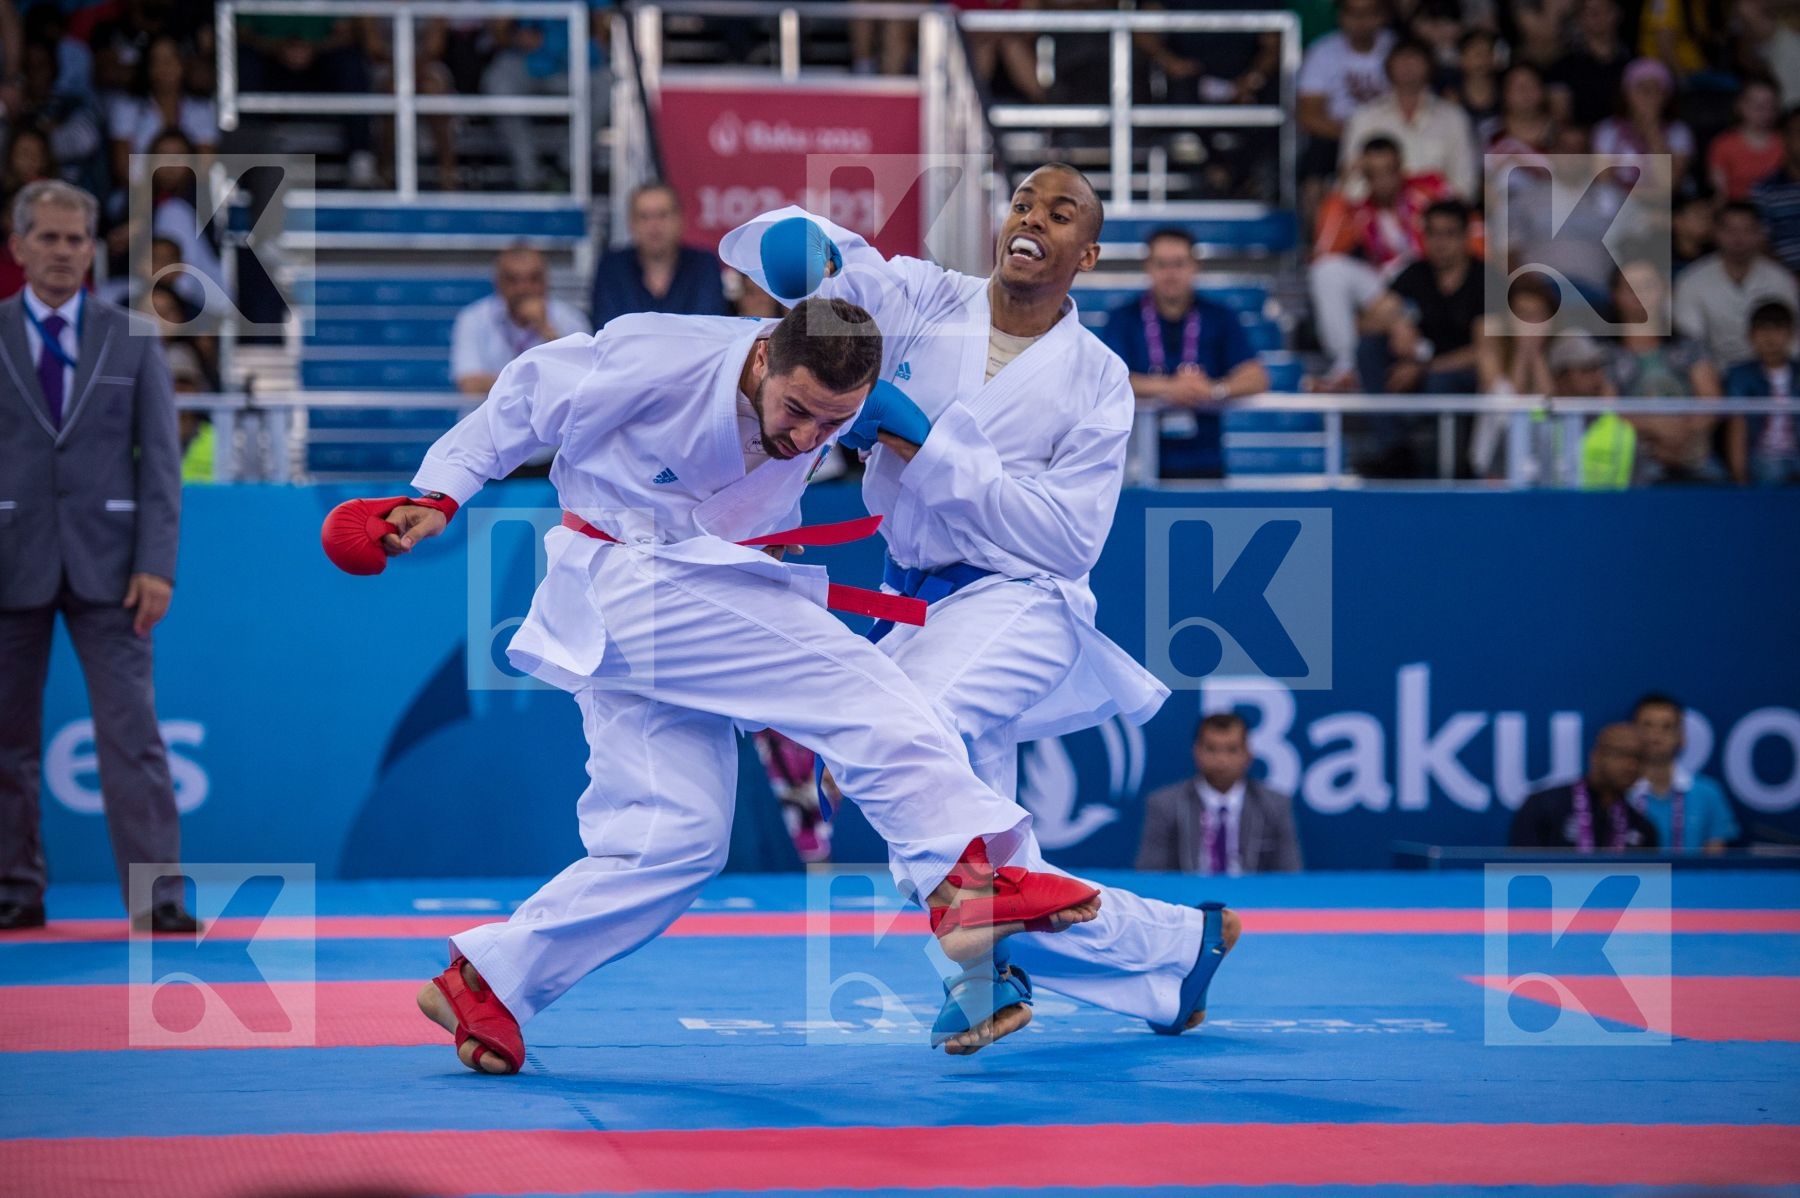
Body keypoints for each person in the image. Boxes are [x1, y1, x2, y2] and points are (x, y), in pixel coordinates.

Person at [329, 298, 1105, 1073]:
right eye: (797, 410)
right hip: (629, 575)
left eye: (832, 424)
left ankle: (487, 981)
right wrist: (436, 494)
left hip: (673, 598)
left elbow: (895, 437)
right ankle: (964, 884)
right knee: (856, 686)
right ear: (764, 357)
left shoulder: (843, 400)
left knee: (674, 837)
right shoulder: (660, 352)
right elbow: (527, 394)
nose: (808, 436)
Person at [721, 166, 1242, 1053]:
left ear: (1088, 254)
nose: (1032, 219)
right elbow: (840, 274)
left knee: (897, 739)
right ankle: (1173, 952)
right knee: (963, 836)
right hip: (912, 599)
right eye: (1024, 203)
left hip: (1020, 600)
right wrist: (805, 249)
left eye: (1060, 213)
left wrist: (923, 442)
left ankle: (986, 968)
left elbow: (1064, 538)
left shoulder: (1099, 379)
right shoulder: (929, 299)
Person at [0, 181, 198, 934]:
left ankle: (158, 897)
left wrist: (158, 564)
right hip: (9, 563)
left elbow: (162, 466)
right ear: (18, 247)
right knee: (5, 741)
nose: (62, 251)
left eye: (75, 238)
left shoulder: (135, 337)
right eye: (47, 237)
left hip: (116, 571)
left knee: (133, 736)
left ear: (93, 249)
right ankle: (14, 889)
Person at [1103, 226, 1270, 479]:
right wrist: (1169, 388)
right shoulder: (1123, 319)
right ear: (1149, 267)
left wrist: (1214, 390)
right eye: (1162, 264)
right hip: (1138, 462)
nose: (1171, 274)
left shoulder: (1219, 316)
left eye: (1179, 264)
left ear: (1195, 266)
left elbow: (1256, 377)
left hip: (1205, 460)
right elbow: (1109, 381)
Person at [1309, 137, 1457, 389]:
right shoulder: (1360, 211)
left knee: (1404, 273)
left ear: (1401, 169)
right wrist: (1343, 184)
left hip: (1432, 283)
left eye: (1389, 171)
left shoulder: (1429, 191)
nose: (1382, 181)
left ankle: (1418, 345)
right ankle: (1347, 364)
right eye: (1373, 174)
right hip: (1388, 291)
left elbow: (1458, 231)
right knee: (1326, 271)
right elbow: (1323, 249)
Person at [1137, 713, 1303, 874]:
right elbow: (1151, 875)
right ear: (1196, 752)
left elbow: (1289, 876)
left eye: (1232, 750)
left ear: (1248, 754)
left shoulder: (1274, 805)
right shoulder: (1166, 805)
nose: (1221, 759)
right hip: (1188, 893)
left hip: (1252, 893)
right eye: (1211, 749)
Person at [1339, 38, 1478, 201]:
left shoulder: (1454, 118)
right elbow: (1351, 179)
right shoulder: (1364, 117)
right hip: (1376, 211)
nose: (1408, 66)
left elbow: (1465, 182)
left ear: (1429, 66)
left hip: (1437, 211)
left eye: (1415, 60)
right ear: (1389, 67)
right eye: (1402, 60)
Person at [1673, 202, 1800, 370]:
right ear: (1716, 232)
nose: (1738, 238)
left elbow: (1794, 339)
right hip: (1716, 373)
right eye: (1730, 230)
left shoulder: (1780, 279)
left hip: (1772, 373)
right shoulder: (1692, 280)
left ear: (1760, 234)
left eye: (1747, 230)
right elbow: (1691, 341)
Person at [450, 244, 587, 396]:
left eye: (533, 279)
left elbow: (582, 380)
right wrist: (541, 384)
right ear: (498, 282)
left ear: (546, 281)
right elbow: (470, 384)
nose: (523, 288)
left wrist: (546, 329)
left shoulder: (571, 320)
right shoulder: (473, 319)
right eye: (513, 280)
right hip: (490, 411)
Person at [589, 182, 729, 330]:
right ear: (631, 223)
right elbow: (606, 329)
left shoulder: (704, 265)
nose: (654, 226)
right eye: (644, 217)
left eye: (663, 215)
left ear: (680, 219)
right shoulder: (612, 268)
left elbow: (709, 328)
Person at [1510, 724, 1659, 851]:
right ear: (1596, 756)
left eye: (1639, 758)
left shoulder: (1642, 828)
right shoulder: (1543, 806)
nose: (1632, 765)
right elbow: (1521, 870)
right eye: (1622, 754)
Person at [1296, 0, 1396, 188]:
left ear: (1382, 16)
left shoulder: (1397, 48)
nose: (1361, 20)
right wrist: (1356, 133)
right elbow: (1308, 116)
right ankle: (1320, 208)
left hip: (1393, 132)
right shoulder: (1322, 51)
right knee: (1315, 159)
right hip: (1337, 134)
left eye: (1369, 13)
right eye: (1353, 13)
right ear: (1340, 16)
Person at [1629, 694, 1739, 852]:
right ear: (1631, 733)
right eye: (1647, 725)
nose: (1656, 734)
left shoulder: (1708, 793)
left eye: (1667, 727)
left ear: (1681, 737)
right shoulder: (1621, 792)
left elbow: (1715, 858)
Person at [1725, 300, 1800, 485]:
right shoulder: (1740, 375)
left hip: (1796, 454)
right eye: (1762, 330)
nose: (1770, 338)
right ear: (1750, 336)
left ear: (1792, 334)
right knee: (1773, 470)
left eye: (1778, 329)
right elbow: (1737, 427)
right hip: (1762, 458)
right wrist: (1739, 477)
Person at [1591, 58, 1695, 186]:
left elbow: (1670, 183)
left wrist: (1653, 130)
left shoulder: (1679, 132)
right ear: (1627, 94)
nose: (1648, 96)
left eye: (1656, 89)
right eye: (1642, 88)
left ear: (1666, 96)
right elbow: (1603, 179)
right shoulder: (1607, 129)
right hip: (1619, 197)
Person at [1709, 78, 1786, 202]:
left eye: (1770, 105)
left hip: (1779, 205)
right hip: (1738, 207)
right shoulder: (1724, 144)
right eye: (1757, 106)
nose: (1764, 112)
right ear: (1740, 106)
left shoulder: (1786, 142)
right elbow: (1720, 193)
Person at [1750, 104, 1800, 274]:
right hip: (1783, 280)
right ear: (1785, 138)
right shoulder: (1764, 190)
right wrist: (1788, 279)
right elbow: (1760, 243)